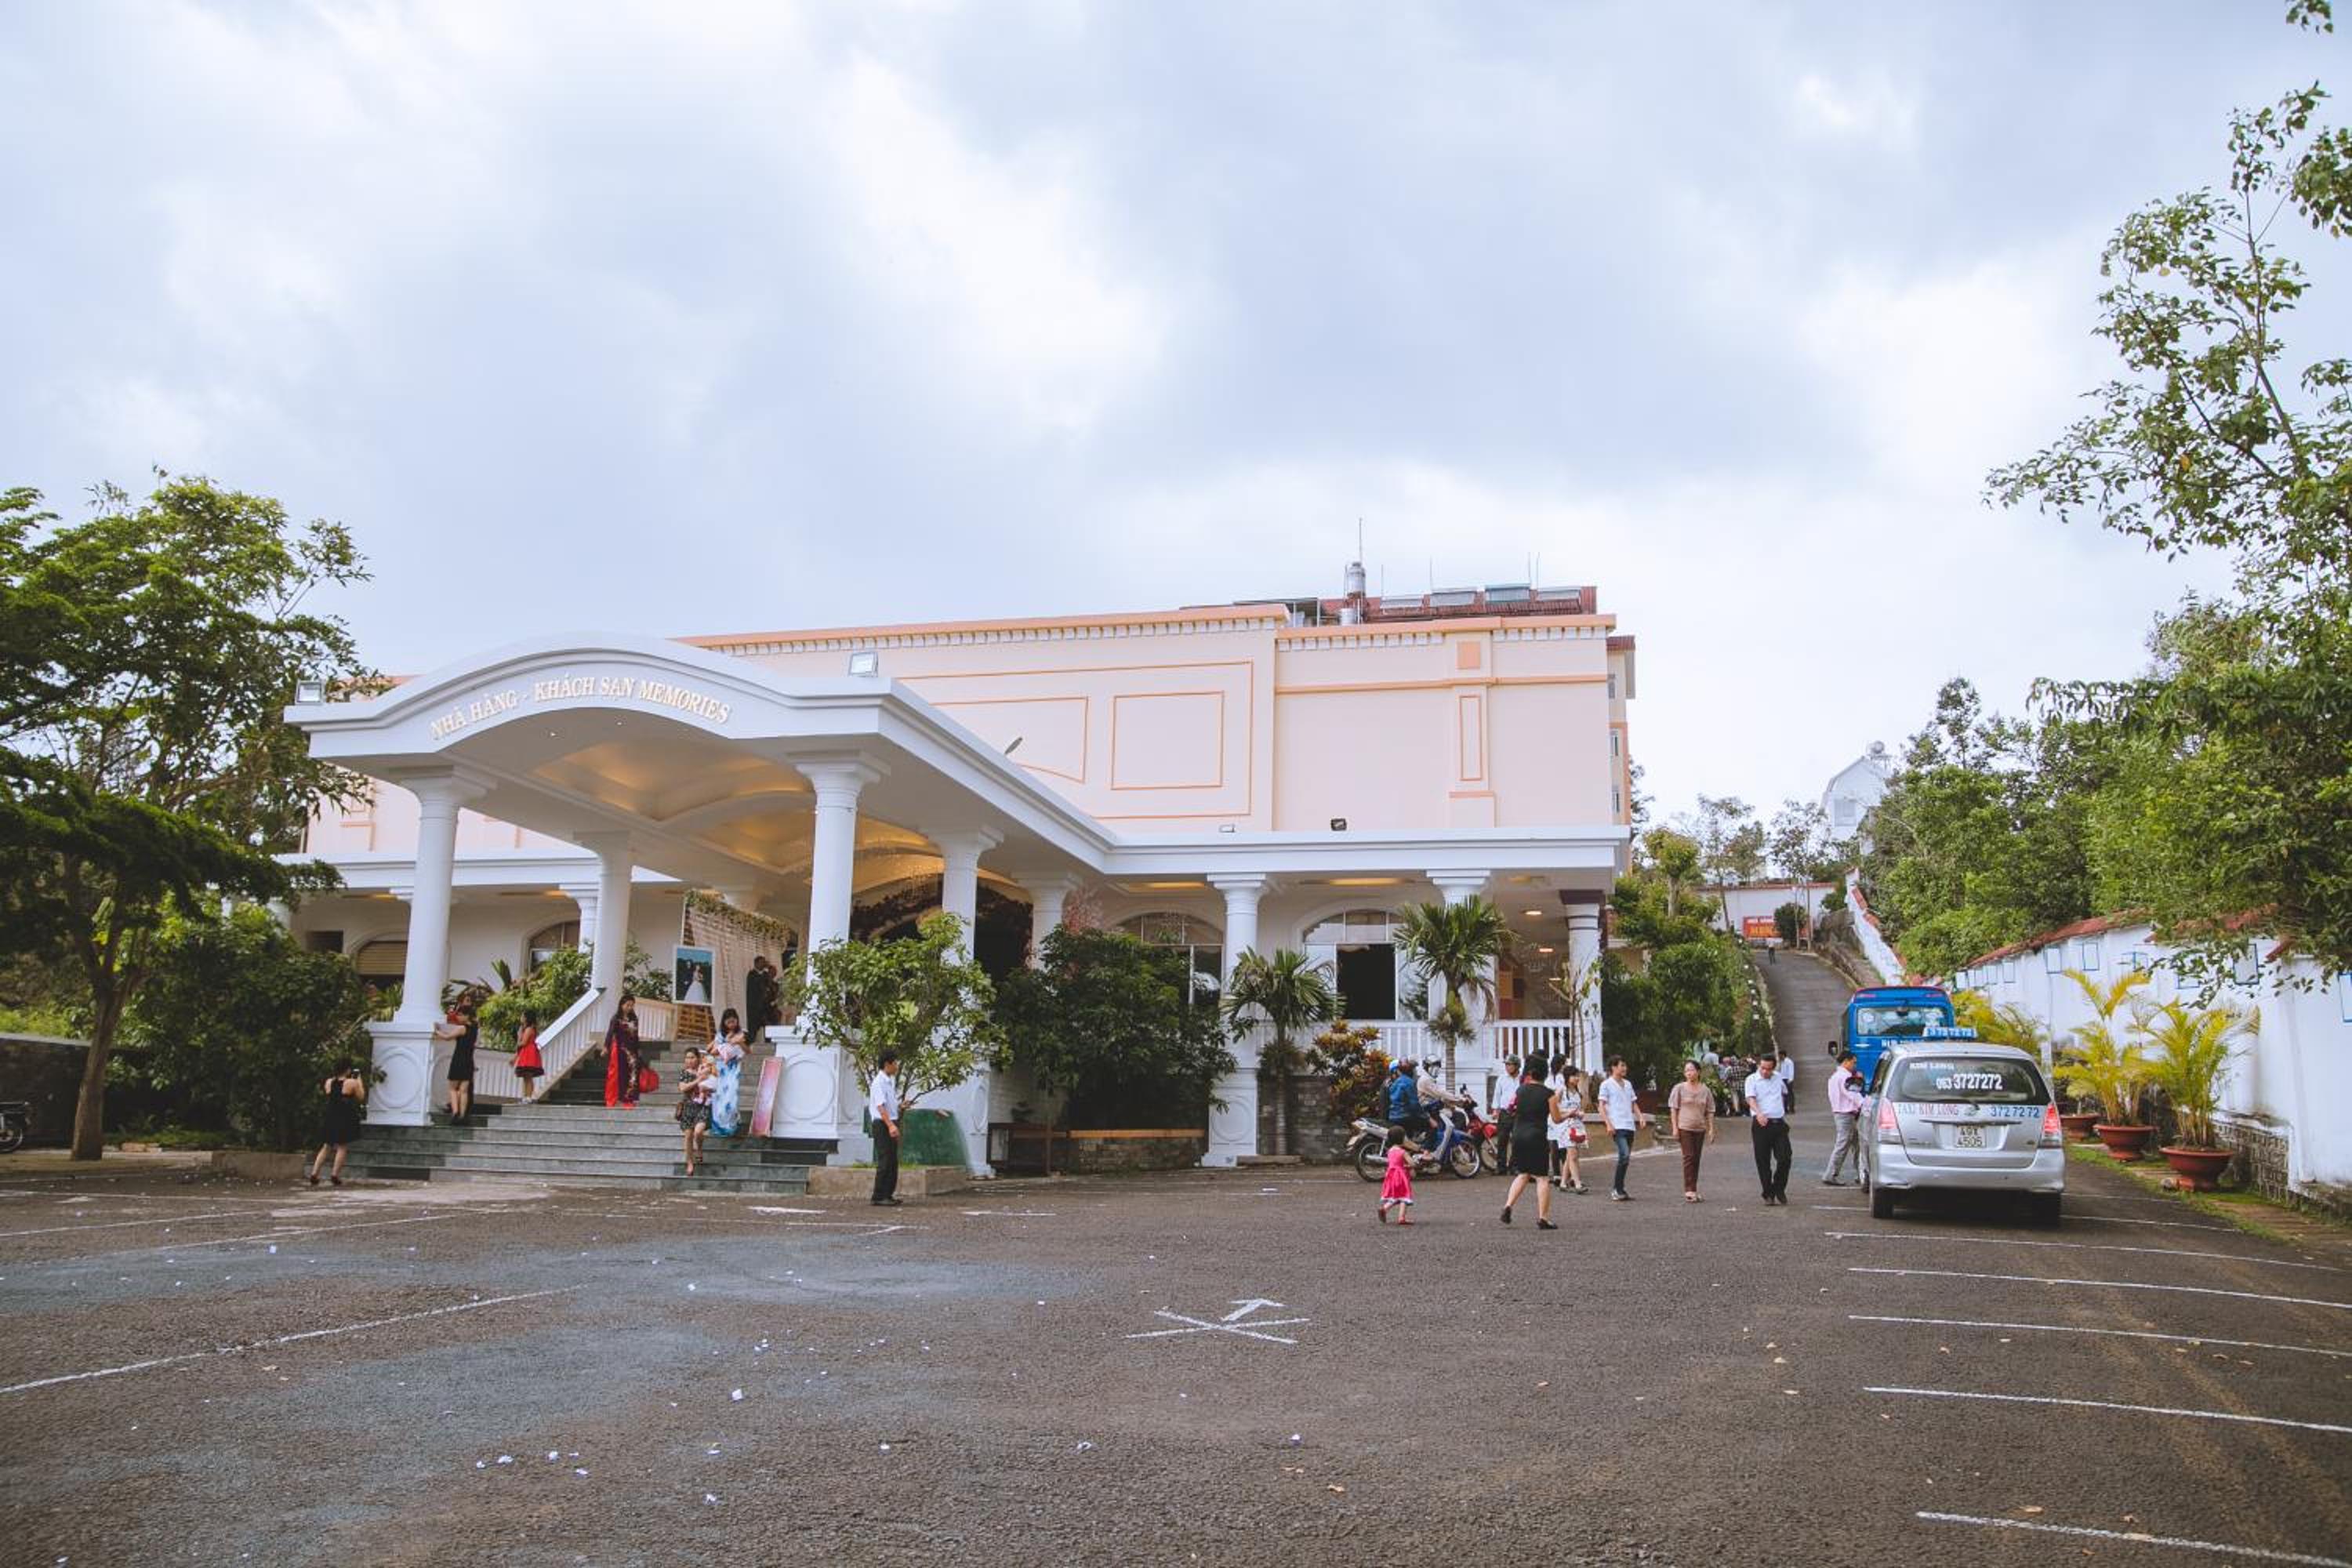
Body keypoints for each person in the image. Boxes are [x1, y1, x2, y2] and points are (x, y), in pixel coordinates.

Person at [1498, 1058, 1563, 1230]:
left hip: (1518, 1135)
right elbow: (1557, 1118)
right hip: (1537, 1136)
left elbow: (1511, 1108)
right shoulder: (1549, 1094)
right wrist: (1570, 1114)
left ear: (1529, 1072)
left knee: (1523, 1174)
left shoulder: (1520, 1090)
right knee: (1542, 1178)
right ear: (1545, 1073)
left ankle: (1508, 1206)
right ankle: (1543, 1218)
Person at [307, 1062, 367, 1186]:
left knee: (326, 1146)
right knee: (342, 1146)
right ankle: (335, 1175)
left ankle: (314, 1173)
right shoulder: (351, 1083)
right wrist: (359, 1080)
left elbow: (330, 1094)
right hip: (345, 1116)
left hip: (331, 1115)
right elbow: (361, 1097)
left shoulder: (329, 1082)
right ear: (347, 1070)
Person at [1744, 1051, 1793, 1204]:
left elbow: (1784, 1093)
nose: (1765, 1072)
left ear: (1774, 1068)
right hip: (1761, 1124)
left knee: (1785, 1158)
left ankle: (1779, 1187)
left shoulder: (1778, 1077)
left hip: (1778, 1123)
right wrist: (1759, 1113)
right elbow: (1750, 1098)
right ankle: (1768, 1193)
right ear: (1759, 1065)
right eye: (1763, 1068)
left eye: (1769, 1069)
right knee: (1763, 1160)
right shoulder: (1751, 1079)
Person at [1667, 1059, 1716, 1202]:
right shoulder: (1679, 1088)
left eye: (1692, 1070)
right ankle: (1689, 1190)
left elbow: (1710, 1111)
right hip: (1684, 1127)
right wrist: (1675, 1128)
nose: (1689, 1073)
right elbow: (1674, 1109)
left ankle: (1693, 1189)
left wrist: (1711, 1129)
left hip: (1699, 1128)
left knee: (1696, 1159)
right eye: (1686, 1070)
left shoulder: (1705, 1090)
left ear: (1698, 1072)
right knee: (1689, 1157)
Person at [1596, 1057, 1642, 1200]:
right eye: (1622, 1065)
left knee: (1625, 1159)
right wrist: (1608, 1124)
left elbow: (1633, 1103)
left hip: (1629, 1125)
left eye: (1625, 1065)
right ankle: (1616, 1190)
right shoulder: (1606, 1084)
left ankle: (1620, 1189)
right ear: (1613, 1067)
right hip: (1617, 1126)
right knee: (1624, 1155)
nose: (1625, 1068)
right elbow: (1601, 1106)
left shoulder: (1628, 1084)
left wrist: (1640, 1117)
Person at [1416, 1058, 1469, 1168]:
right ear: (1427, 1067)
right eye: (1434, 1067)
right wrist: (1458, 1099)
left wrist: (1455, 1103)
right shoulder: (1425, 1080)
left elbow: (1440, 1097)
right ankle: (1427, 1152)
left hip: (1431, 1111)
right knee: (1436, 1127)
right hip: (1426, 1113)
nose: (1436, 1070)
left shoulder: (1430, 1080)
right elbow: (1440, 1093)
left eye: (1438, 1067)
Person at [1822, 1048, 1865, 1185]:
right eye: (1854, 1062)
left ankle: (1862, 1174)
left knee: (1857, 1145)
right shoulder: (1845, 1077)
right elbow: (1853, 1094)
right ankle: (1830, 1174)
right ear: (1846, 1061)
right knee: (1844, 1144)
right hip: (1847, 1115)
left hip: (1841, 1114)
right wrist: (1865, 1104)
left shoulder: (1835, 1077)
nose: (1855, 1065)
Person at [869, 1049, 903, 1206]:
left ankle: (888, 1194)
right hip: (882, 1124)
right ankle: (878, 1196)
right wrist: (890, 1126)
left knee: (892, 1161)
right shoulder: (879, 1082)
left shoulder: (890, 1081)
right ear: (887, 1064)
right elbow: (880, 1106)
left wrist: (901, 1106)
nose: (896, 1066)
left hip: (890, 1121)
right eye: (894, 1063)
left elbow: (889, 1104)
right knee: (885, 1160)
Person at [1548, 1063, 1589, 1193]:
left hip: (1576, 1126)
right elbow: (1553, 1107)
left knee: (1570, 1156)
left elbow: (1581, 1107)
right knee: (1573, 1155)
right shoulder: (1561, 1091)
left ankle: (1563, 1183)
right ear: (1567, 1077)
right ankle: (1577, 1184)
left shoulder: (1577, 1093)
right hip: (1564, 1126)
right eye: (1574, 1076)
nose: (1577, 1078)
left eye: (1577, 1076)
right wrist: (1568, 1113)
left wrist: (1579, 1113)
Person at [676, 1047, 714, 1176]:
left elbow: (714, 1085)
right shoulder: (684, 1073)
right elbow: (683, 1088)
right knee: (688, 1136)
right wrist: (698, 1080)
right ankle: (690, 1163)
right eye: (687, 1058)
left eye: (692, 1057)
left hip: (702, 1106)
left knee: (698, 1132)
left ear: (698, 1058)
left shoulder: (705, 1070)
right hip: (688, 1107)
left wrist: (708, 1085)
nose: (689, 1060)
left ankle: (699, 1148)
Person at [708, 1008, 746, 1138]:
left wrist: (740, 1042)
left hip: (734, 1067)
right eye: (728, 1022)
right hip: (722, 1068)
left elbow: (747, 1051)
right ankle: (720, 1125)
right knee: (720, 1096)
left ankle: (731, 1123)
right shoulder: (720, 1035)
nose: (731, 1024)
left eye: (733, 1021)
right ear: (724, 1022)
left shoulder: (741, 1033)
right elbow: (713, 1052)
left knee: (732, 1094)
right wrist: (726, 1042)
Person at [440, 998, 478, 1124]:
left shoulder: (462, 1028)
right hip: (469, 1061)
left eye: (460, 1015)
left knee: (452, 1088)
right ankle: (463, 1116)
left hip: (458, 1060)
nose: (458, 1017)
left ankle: (455, 1113)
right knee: (464, 1091)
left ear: (467, 1016)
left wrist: (436, 1031)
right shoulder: (475, 1028)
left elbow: (447, 1037)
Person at [601, 996, 643, 1109]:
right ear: (621, 1005)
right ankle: (615, 1098)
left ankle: (628, 1099)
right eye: (627, 1005)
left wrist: (638, 1050)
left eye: (632, 1005)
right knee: (618, 1074)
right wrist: (606, 1047)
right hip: (620, 1050)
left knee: (632, 1075)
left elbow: (636, 1036)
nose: (630, 1008)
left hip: (632, 1051)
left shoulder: (634, 1019)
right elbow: (610, 1033)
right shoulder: (616, 1018)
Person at [1384, 1060, 1426, 1153]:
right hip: (1403, 1116)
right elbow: (1414, 1103)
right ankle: (1421, 1151)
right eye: (1413, 1069)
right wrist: (1426, 1117)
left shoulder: (1393, 1083)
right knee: (1425, 1124)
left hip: (1393, 1115)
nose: (1415, 1072)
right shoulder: (1408, 1082)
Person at [1377, 1127, 1414, 1225]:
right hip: (1401, 1176)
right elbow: (1412, 1163)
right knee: (1404, 1196)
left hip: (1391, 1176)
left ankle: (1384, 1209)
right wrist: (1409, 1165)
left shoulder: (1390, 1151)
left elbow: (1393, 1163)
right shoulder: (1403, 1152)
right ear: (1402, 1139)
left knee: (1395, 1196)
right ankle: (1402, 1217)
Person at [514, 1008, 544, 1102]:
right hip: (528, 1052)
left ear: (527, 1018)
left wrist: (519, 1037)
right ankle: (525, 1096)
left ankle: (528, 1097)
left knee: (528, 1076)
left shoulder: (529, 1029)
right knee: (526, 1077)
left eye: (523, 1016)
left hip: (529, 1053)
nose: (521, 1018)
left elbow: (523, 1043)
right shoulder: (529, 1029)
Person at [746, 956, 780, 1037]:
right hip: (755, 1007)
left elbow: (770, 984)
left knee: (769, 1027)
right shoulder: (752, 974)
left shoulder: (765, 975)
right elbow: (758, 984)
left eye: (764, 962)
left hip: (765, 1008)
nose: (764, 964)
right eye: (762, 962)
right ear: (756, 963)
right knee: (753, 1029)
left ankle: (769, 1041)